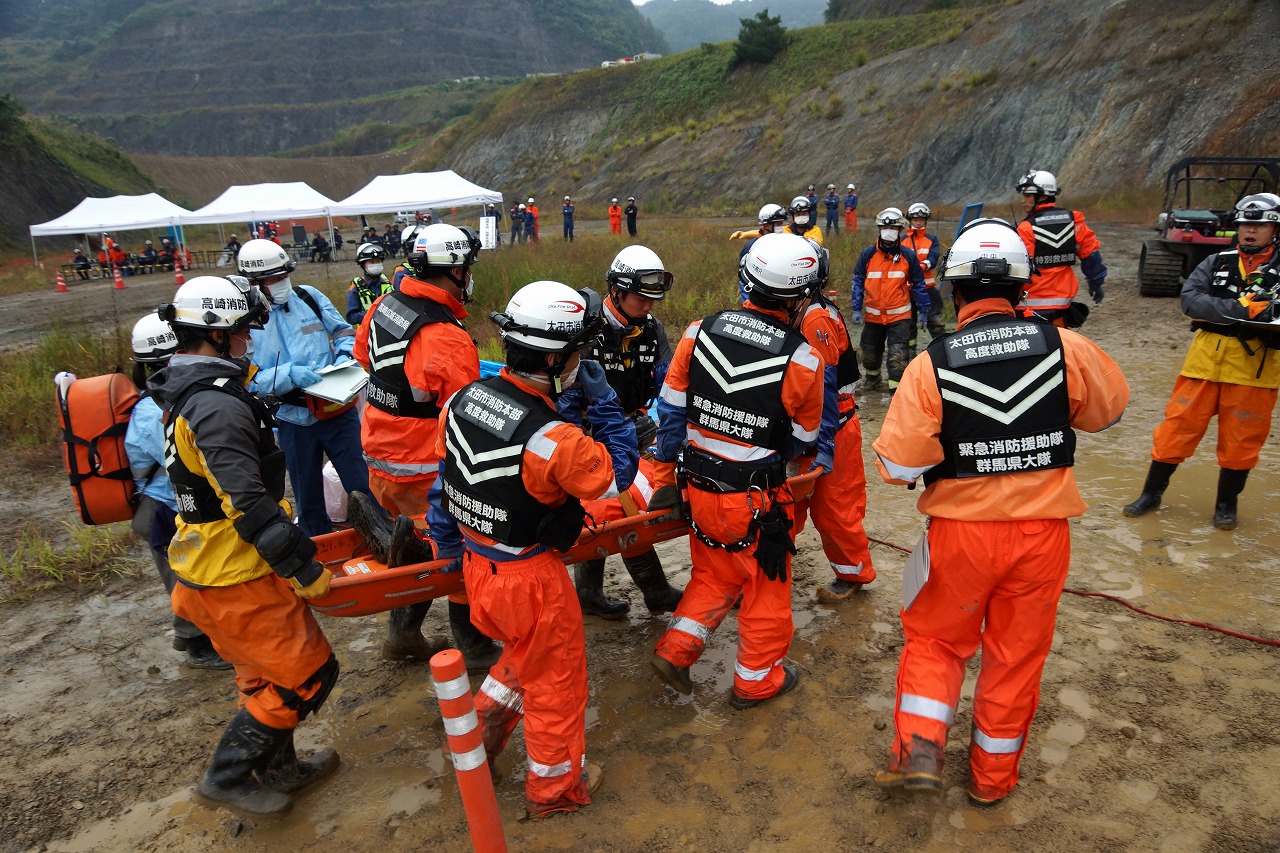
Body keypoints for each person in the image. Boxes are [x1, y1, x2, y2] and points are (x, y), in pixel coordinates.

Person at [870, 218, 1128, 807]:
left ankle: (919, 756)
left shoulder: (929, 364)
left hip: (960, 537)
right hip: (1043, 538)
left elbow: (898, 467)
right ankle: (991, 782)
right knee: (1016, 657)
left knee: (936, 643)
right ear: (1023, 287)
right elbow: (1108, 413)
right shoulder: (1066, 347)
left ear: (954, 290)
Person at [428, 280, 639, 818]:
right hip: (531, 581)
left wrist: (449, 550)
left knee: (523, 661)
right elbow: (614, 479)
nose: (579, 363)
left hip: (479, 565)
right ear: (554, 356)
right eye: (575, 355)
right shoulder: (556, 440)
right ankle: (555, 791)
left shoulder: (462, 399)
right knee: (557, 687)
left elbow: (444, 481)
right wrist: (607, 406)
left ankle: (479, 743)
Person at [153, 275, 341, 816]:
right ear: (215, 336)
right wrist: (304, 568)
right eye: (240, 331)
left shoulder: (189, 389)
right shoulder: (218, 406)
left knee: (261, 677)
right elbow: (248, 504)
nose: (249, 340)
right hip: (235, 575)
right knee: (307, 676)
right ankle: (228, 776)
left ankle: (279, 767)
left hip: (205, 568)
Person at [649, 232, 830, 708]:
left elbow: (668, 415)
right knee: (766, 588)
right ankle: (756, 680)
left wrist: (668, 475)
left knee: (714, 574)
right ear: (800, 298)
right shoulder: (804, 359)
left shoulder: (696, 332)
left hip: (698, 490)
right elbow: (802, 443)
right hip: (756, 501)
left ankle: (676, 651)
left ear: (747, 279)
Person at [352, 223, 500, 671]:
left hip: (378, 452)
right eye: (468, 267)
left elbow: (364, 358)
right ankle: (473, 646)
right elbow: (468, 414)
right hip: (422, 465)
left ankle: (403, 635)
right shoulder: (446, 337)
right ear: (454, 270)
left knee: (410, 541)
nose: (471, 275)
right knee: (459, 543)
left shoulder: (384, 305)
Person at [1122, 193, 1280, 530]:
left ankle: (1226, 505)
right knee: (1175, 429)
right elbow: (1192, 302)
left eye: (1259, 224)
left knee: (1242, 440)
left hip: (1256, 369)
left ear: (1274, 228)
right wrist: (1243, 311)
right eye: (1245, 224)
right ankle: (1151, 494)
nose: (1250, 231)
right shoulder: (1216, 261)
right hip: (1204, 362)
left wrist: (1239, 313)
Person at [560, 246, 683, 619]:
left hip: (634, 428)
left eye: (653, 299)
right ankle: (651, 591)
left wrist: (660, 415)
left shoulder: (653, 329)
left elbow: (668, 382)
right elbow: (562, 395)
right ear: (615, 290)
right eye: (640, 298)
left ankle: (595, 593)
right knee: (613, 506)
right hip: (586, 433)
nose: (648, 306)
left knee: (624, 506)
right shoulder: (585, 333)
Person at [237, 239, 371, 537]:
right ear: (254, 284)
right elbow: (248, 379)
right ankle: (320, 550)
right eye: (274, 280)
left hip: (337, 410)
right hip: (294, 420)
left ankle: (379, 536)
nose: (282, 283)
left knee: (362, 485)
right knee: (308, 496)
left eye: (284, 276)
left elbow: (342, 330)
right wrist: (289, 375)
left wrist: (346, 354)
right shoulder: (244, 322)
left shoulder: (308, 297)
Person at [125, 312, 230, 671]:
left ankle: (196, 634)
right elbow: (183, 459)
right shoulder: (148, 413)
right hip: (164, 508)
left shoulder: (167, 400)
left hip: (177, 503)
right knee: (185, 577)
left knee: (196, 572)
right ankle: (195, 643)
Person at [790, 241, 877, 603]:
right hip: (803, 427)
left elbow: (820, 386)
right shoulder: (796, 312)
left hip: (834, 426)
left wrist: (818, 443)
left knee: (836, 509)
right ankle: (761, 575)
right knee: (785, 507)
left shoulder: (816, 318)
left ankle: (852, 571)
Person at [1014, 169, 1106, 327]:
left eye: (1028, 196)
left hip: (1029, 307)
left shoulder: (1026, 228)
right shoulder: (1073, 220)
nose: (1023, 201)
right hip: (1062, 305)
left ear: (1042, 196)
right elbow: (1091, 255)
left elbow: (1019, 268)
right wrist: (1095, 282)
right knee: (1061, 345)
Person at [851, 208, 929, 393]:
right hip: (873, 317)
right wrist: (855, 308)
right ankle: (873, 379)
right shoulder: (868, 255)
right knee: (869, 353)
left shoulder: (908, 256)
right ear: (879, 228)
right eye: (885, 226)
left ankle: (897, 389)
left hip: (899, 317)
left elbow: (918, 284)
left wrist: (924, 309)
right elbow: (858, 281)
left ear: (900, 229)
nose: (889, 230)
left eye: (893, 227)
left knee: (898, 356)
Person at [903, 202, 946, 346]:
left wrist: (921, 265)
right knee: (908, 325)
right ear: (910, 220)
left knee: (935, 322)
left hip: (927, 288)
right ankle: (909, 354)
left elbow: (933, 258)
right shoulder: (902, 240)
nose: (919, 222)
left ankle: (943, 350)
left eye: (921, 219)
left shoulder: (931, 239)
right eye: (916, 219)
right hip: (907, 289)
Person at [344, 242, 392, 325]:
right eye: (372, 262)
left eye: (378, 261)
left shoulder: (389, 284)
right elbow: (351, 317)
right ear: (364, 265)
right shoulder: (356, 288)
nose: (376, 265)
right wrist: (374, 313)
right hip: (366, 335)